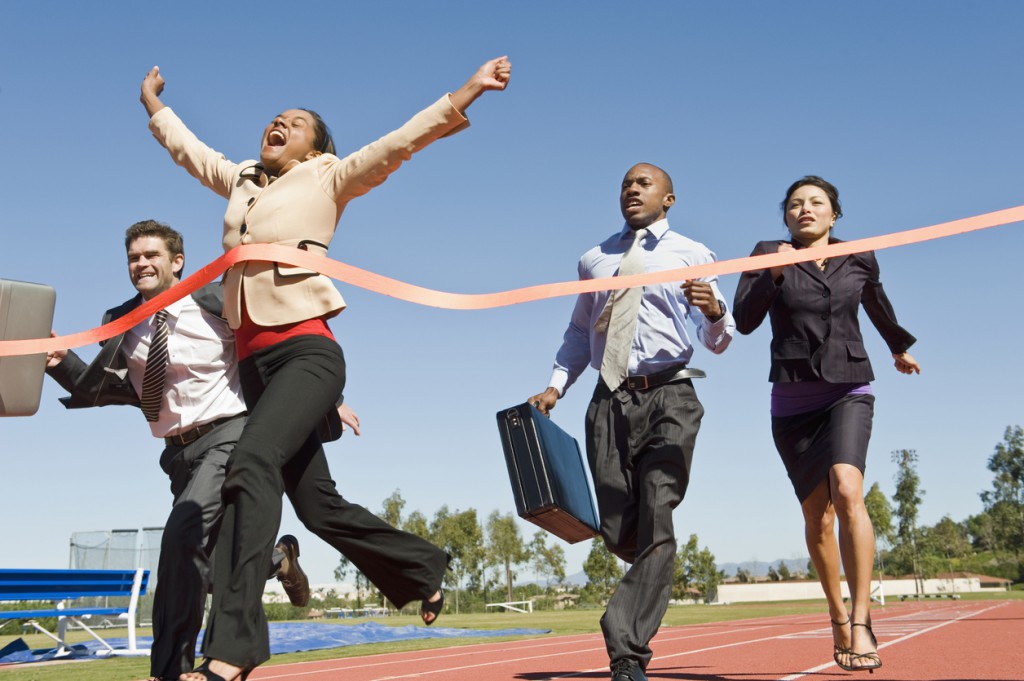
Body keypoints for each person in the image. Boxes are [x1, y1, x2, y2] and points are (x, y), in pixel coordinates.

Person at [139, 56, 512, 681]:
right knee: (316, 506)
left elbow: (400, 142)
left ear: (318, 146)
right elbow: (193, 153)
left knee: (249, 463)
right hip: (258, 371)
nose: (279, 123)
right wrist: (155, 106)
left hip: (307, 352)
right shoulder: (243, 180)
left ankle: (232, 647)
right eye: (275, 119)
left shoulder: (328, 178)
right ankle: (421, 568)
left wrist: (469, 90)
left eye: (297, 122)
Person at [45, 220, 318, 681]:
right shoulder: (122, 322)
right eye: (134, 258)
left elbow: (269, 351)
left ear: (177, 262)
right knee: (204, 568)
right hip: (177, 456)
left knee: (177, 542)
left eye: (151, 255)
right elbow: (115, 390)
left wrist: (321, 392)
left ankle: (170, 670)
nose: (141, 264)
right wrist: (59, 361)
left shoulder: (215, 301)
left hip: (230, 434)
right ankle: (279, 560)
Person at [529, 163, 734, 681]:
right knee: (622, 529)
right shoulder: (595, 259)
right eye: (626, 183)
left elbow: (720, 339)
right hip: (608, 399)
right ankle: (650, 566)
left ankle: (625, 648)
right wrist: (556, 384)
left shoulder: (693, 253)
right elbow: (579, 332)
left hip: (671, 394)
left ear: (668, 199)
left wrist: (713, 312)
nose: (633, 189)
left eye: (644, 183)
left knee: (658, 512)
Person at [732, 176, 921, 672]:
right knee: (818, 517)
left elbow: (877, 304)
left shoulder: (859, 255)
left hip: (848, 388)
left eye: (816, 203)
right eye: (795, 204)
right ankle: (836, 614)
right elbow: (745, 319)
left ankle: (861, 621)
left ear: (834, 214)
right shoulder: (767, 253)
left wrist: (898, 347)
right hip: (793, 398)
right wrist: (772, 275)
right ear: (786, 217)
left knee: (847, 487)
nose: (805, 209)